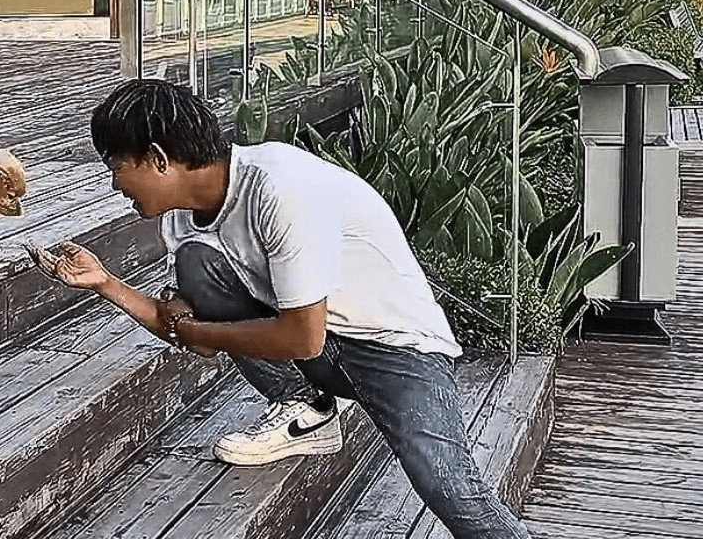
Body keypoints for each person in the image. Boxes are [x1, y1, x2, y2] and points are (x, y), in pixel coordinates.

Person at [40, 78, 531, 539]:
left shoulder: (279, 188)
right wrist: (105, 283)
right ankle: (306, 407)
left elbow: (299, 338)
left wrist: (198, 332)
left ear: (158, 159)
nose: (113, 184)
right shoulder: (182, 223)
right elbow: (184, 329)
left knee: (450, 488)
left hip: (396, 352)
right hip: (318, 349)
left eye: (115, 166)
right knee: (196, 263)